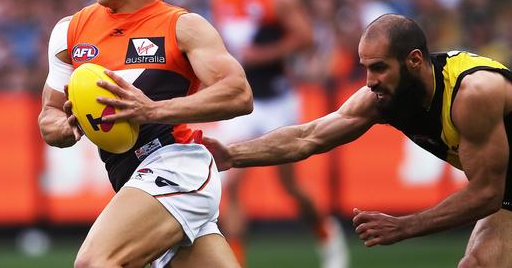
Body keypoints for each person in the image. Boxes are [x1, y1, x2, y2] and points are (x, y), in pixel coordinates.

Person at [204, 13, 512, 267]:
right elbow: (307, 137)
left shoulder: (472, 94)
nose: (369, 81)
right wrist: (231, 155)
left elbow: (487, 193)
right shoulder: (383, 96)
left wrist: (405, 226)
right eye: (365, 68)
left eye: (379, 67)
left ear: (414, 60)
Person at [38, 0, 253, 268]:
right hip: (134, 179)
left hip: (176, 166)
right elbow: (49, 116)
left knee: (94, 263)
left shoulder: (182, 26)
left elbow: (239, 94)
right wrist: (67, 126)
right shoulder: (69, 32)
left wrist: (152, 111)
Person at [209, 0, 348, 268]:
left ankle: (326, 234)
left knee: (289, 184)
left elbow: (305, 36)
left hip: (277, 98)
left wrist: (263, 54)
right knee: (234, 182)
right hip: (242, 99)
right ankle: (236, 260)